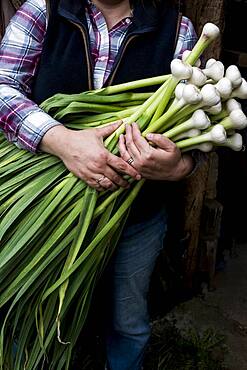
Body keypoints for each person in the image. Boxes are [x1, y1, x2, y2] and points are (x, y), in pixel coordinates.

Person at [0, 0, 198, 369]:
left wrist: (179, 166)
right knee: (31, 305)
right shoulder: (44, 10)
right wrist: (61, 140)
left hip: (135, 217)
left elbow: (196, 128)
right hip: (45, 208)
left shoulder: (177, 31)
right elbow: (3, 87)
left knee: (128, 321)